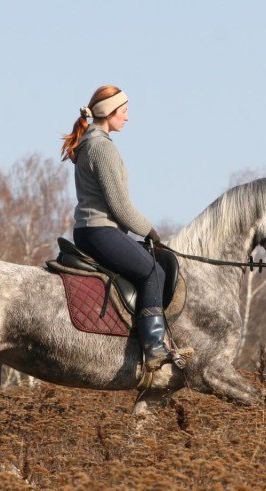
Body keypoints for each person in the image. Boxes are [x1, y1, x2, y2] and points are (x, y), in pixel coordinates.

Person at [61, 85, 177, 371]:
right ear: (108, 113)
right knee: (152, 269)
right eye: (123, 111)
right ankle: (153, 346)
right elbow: (120, 206)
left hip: (91, 231)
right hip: (101, 230)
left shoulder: (91, 143)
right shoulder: (101, 147)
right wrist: (150, 231)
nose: (127, 117)